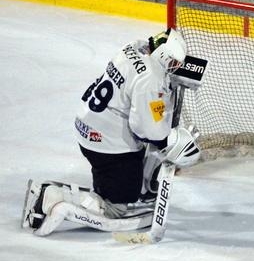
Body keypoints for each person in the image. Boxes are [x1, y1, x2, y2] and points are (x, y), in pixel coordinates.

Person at [22, 29, 201, 236]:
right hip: (107, 145)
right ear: (161, 54)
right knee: (117, 207)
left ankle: (136, 189)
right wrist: (171, 143)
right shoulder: (150, 79)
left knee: (135, 161)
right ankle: (52, 198)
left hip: (90, 127)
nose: (174, 67)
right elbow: (146, 128)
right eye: (173, 63)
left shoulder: (134, 47)